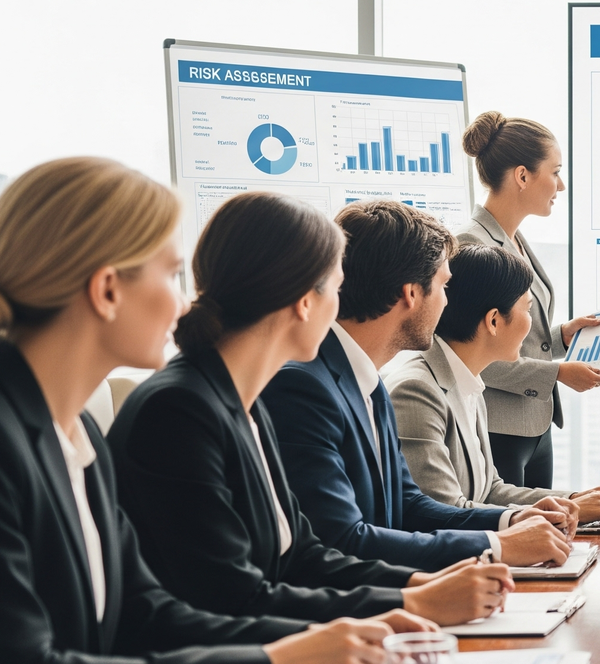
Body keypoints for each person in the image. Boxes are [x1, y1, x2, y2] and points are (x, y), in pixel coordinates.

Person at [0, 158, 424, 664]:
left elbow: (145, 611)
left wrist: (323, 644)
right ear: (106, 289)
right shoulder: (23, 439)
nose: (184, 303)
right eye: (171, 275)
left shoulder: (77, 434)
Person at [110, 193, 517, 627]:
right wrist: (409, 602)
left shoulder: (242, 399)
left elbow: (304, 554)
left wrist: (417, 588)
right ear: (306, 301)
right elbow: (230, 596)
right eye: (335, 285)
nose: (341, 304)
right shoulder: (185, 408)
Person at [262, 200, 575, 571]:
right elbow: (343, 540)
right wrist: (497, 546)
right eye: (443, 285)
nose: (448, 302)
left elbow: (409, 505)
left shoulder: (369, 381)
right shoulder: (304, 386)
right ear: (411, 293)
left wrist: (509, 522)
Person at [386, 245, 600, 521]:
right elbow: (443, 512)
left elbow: (490, 490)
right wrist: (564, 513)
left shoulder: (469, 384)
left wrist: (570, 500)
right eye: (528, 310)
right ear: (494, 321)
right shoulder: (416, 392)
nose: (532, 326)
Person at [456, 111, 600, 489]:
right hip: (497, 426)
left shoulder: (515, 240)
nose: (560, 186)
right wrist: (557, 372)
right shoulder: (469, 245)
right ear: (523, 176)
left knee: (547, 532)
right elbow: (469, 352)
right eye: (555, 172)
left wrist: (561, 336)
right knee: (518, 538)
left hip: (535, 424)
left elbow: (514, 334)